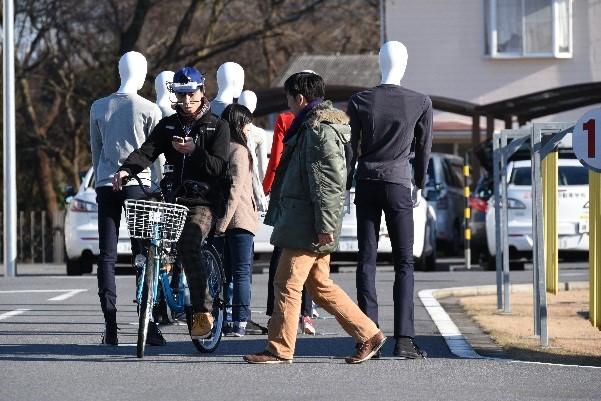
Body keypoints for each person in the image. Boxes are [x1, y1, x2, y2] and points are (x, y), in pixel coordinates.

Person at [243, 72, 385, 364]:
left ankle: (279, 349)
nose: (288, 104)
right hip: (307, 219)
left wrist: (323, 226)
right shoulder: (313, 126)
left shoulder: (317, 130)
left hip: (308, 223)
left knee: (287, 282)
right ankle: (369, 335)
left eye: (289, 98)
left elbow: (328, 182)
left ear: (300, 98)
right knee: (319, 286)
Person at [113, 66, 230, 340]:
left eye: (191, 94)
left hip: (203, 201)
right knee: (149, 242)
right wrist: (126, 169)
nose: (186, 101)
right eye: (181, 95)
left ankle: (203, 310)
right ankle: (152, 310)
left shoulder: (218, 126)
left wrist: (195, 151)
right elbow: (147, 151)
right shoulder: (168, 125)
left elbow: (221, 168)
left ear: (202, 92)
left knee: (189, 244)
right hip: (171, 199)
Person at [346, 41, 433, 359]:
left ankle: (368, 337)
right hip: (399, 183)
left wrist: (345, 183)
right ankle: (404, 340)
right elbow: (423, 148)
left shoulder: (359, 100)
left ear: (378, 63)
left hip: (366, 182)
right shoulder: (420, 101)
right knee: (404, 263)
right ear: (405, 64)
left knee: (366, 261)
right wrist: (419, 185)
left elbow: (349, 146)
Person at [90, 51, 165, 346]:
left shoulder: (98, 107)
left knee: (106, 255)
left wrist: (101, 180)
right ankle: (148, 323)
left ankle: (110, 324)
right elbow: (155, 155)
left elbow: (96, 152)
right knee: (143, 254)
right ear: (143, 73)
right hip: (139, 185)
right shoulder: (149, 109)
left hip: (107, 184)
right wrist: (159, 182)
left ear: (120, 71)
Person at [262, 109, 317, 335]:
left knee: (280, 253)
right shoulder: (322, 117)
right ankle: (306, 313)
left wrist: (267, 188)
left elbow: (276, 157)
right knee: (307, 255)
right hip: (310, 191)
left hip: (286, 189)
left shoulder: (284, 119)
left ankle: (275, 312)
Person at [213, 103, 259, 337]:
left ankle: (229, 320)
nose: (250, 128)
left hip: (227, 219)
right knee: (241, 273)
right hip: (238, 220)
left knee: (228, 274)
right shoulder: (239, 151)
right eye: (247, 123)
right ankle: (240, 321)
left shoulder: (220, 149)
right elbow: (236, 189)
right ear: (239, 124)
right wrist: (223, 224)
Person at [237, 90, 268, 212]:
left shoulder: (228, 128)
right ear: (255, 107)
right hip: (253, 187)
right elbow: (262, 167)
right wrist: (262, 193)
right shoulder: (260, 133)